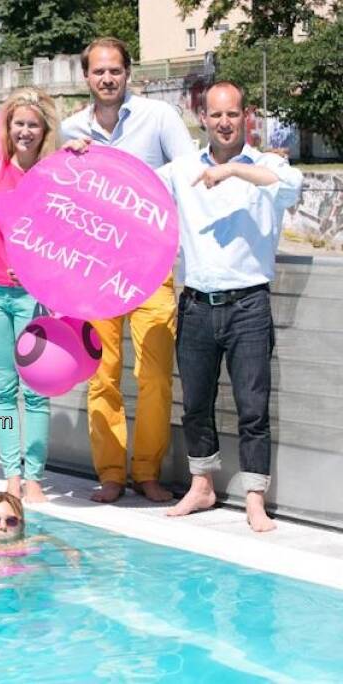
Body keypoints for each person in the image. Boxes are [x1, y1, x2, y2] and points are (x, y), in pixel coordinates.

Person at [157, 81, 302, 532]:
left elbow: (287, 185)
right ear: (203, 118)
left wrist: (234, 172)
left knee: (252, 407)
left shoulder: (266, 165)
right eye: (216, 115)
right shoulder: (181, 169)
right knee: (196, 404)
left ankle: (255, 497)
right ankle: (202, 486)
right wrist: (81, 155)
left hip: (249, 307)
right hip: (197, 306)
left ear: (247, 116)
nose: (224, 123)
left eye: (232, 114)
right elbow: (132, 186)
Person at [62, 37, 196, 504]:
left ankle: (148, 471)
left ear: (127, 73)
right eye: (98, 72)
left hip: (151, 264)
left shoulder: (159, 118)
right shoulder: (69, 130)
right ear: (86, 77)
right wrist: (73, 163)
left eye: (114, 70)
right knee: (102, 375)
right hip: (95, 270)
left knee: (156, 376)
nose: (107, 78)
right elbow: (59, 202)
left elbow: (190, 173)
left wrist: (133, 176)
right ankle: (112, 473)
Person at [0, 87, 61, 503]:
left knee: (35, 390)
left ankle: (34, 478)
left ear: (44, 130)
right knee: (3, 389)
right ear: (8, 127)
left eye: (33, 124)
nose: (25, 131)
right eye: (18, 123)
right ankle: (11, 474)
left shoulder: (53, 176)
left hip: (32, 296)